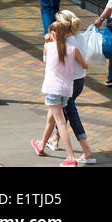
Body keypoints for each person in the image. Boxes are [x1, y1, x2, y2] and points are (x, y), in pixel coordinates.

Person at [41, 10, 97, 163]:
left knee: (68, 112)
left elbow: (51, 62)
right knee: (59, 112)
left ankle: (85, 149)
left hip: (65, 83)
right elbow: (84, 62)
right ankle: (53, 140)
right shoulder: (81, 37)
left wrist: (48, 43)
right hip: (79, 81)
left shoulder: (60, 44)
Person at [31, 16, 84, 166]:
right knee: (51, 119)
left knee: (60, 123)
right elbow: (84, 65)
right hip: (66, 90)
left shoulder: (49, 46)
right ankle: (41, 145)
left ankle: (71, 158)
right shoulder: (73, 49)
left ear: (53, 33)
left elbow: (46, 61)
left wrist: (47, 42)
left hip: (53, 89)